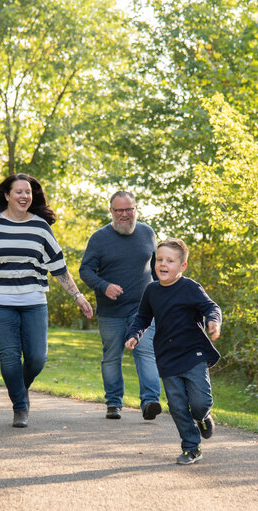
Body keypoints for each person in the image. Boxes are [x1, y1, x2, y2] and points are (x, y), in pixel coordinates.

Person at [0, 173, 93, 428]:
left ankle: (19, 387)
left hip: (33, 300)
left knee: (38, 357)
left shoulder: (40, 227)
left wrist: (78, 295)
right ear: (7, 196)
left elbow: (58, 267)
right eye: (18, 192)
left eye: (28, 192)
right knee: (9, 356)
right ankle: (20, 406)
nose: (24, 196)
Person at [125, 238, 222, 465]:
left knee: (199, 403)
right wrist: (134, 334)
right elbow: (142, 317)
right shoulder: (151, 291)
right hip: (168, 357)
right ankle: (191, 447)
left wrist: (214, 321)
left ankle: (203, 416)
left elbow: (211, 307)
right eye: (159, 259)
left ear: (182, 266)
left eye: (170, 260)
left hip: (194, 354)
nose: (163, 264)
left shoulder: (190, 288)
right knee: (177, 406)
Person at [80, 191, 162, 421]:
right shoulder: (99, 238)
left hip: (143, 310)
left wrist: (162, 299)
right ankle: (114, 403)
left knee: (146, 352)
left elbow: (156, 270)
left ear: (136, 209)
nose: (125, 214)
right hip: (111, 312)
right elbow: (85, 270)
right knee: (112, 356)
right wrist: (103, 285)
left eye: (129, 209)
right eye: (119, 210)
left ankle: (150, 402)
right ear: (111, 211)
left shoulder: (148, 233)